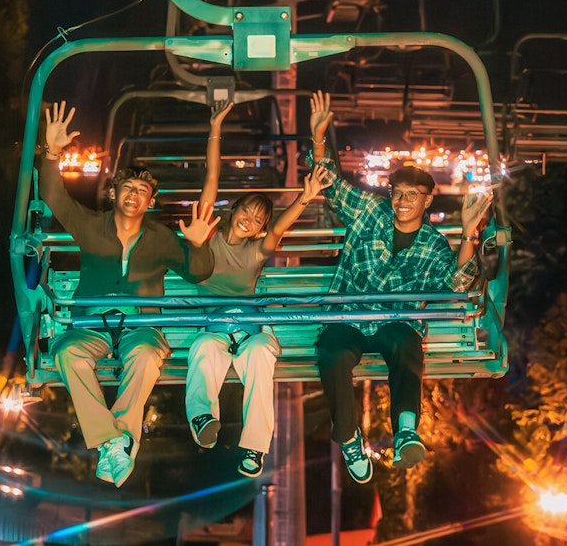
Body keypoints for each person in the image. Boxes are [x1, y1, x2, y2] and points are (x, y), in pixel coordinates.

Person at [307, 90, 493, 483]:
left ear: (427, 201)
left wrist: (468, 235)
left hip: (394, 322)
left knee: (406, 344)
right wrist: (319, 138)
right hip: (349, 315)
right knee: (332, 350)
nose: (403, 200)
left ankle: (406, 429)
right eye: (399, 193)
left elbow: (457, 283)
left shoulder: (434, 244)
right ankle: (348, 436)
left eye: (413, 195)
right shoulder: (370, 212)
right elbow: (331, 183)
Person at [41, 100, 219, 488]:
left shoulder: (160, 238)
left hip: (141, 325)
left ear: (150, 201)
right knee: (66, 352)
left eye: (142, 191)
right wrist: (52, 151)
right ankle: (115, 440)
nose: (134, 195)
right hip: (92, 324)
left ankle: (113, 443)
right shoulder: (91, 226)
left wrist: (199, 245)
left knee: (143, 358)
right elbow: (55, 197)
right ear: (114, 192)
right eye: (128, 187)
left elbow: (198, 272)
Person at [184, 101, 332, 477]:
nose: (251, 221)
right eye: (247, 212)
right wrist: (215, 126)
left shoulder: (256, 251)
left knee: (262, 356)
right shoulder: (207, 234)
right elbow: (212, 179)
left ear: (260, 229)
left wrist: (305, 196)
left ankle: (253, 448)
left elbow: (280, 229)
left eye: (259, 220)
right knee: (202, 349)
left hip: (252, 329)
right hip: (214, 328)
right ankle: (203, 418)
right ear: (233, 210)